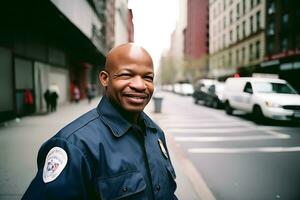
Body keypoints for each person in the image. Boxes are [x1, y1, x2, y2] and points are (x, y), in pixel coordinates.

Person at [22, 43, 178, 200]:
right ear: (105, 78)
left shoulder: (155, 134)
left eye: (147, 77)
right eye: (126, 75)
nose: (140, 85)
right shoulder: (74, 145)